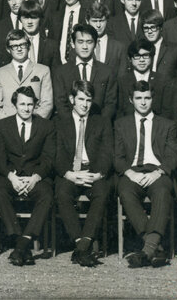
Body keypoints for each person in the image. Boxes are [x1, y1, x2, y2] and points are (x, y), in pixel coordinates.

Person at [114, 81, 177, 268]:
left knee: (162, 191)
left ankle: (147, 250)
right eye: (139, 98)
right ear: (131, 100)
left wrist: (158, 172)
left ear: (153, 99)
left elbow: (172, 155)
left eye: (147, 98)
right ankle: (154, 248)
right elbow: (117, 157)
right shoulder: (121, 124)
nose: (143, 102)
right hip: (132, 172)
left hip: (157, 172)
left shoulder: (167, 125)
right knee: (125, 191)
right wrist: (130, 173)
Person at [0, 85, 56, 267]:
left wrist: (36, 176)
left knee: (47, 194)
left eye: (30, 104)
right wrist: (11, 177)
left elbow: (49, 158)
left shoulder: (46, 126)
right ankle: (22, 244)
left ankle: (21, 244)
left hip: (35, 176)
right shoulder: (3, 125)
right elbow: (0, 159)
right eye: (22, 104)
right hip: (10, 175)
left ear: (35, 105)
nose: (26, 108)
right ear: (15, 105)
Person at [54, 80, 113, 267]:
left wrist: (98, 174)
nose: (85, 104)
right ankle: (80, 243)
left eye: (88, 100)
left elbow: (107, 153)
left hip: (92, 173)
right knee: (62, 193)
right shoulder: (60, 123)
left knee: (102, 192)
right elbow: (56, 154)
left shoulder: (101, 122)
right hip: (70, 173)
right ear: (72, 99)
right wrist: (69, 174)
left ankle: (84, 243)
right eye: (81, 99)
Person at [51, 24, 117, 121]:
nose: (85, 47)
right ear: (73, 44)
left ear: (95, 44)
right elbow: (61, 103)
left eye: (89, 42)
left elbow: (110, 103)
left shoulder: (107, 72)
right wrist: (75, 125)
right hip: (70, 127)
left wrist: (98, 126)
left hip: (98, 127)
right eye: (80, 42)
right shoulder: (61, 72)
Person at [0, 30, 53, 121]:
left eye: (22, 45)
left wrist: (34, 125)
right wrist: (10, 127)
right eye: (14, 46)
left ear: (29, 46)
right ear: (8, 49)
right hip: (8, 129)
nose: (19, 49)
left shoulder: (43, 70)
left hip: (35, 126)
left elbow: (47, 104)